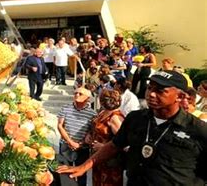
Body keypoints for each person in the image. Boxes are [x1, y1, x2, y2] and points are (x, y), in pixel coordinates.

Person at [58, 70, 207, 185]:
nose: (151, 94)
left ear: (180, 97)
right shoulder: (136, 118)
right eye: (150, 88)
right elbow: (114, 145)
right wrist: (83, 167)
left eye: (160, 91)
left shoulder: (198, 130)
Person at [57, 87, 96, 186]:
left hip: (82, 148)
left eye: (80, 94)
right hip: (66, 145)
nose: (77, 95)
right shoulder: (66, 108)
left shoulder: (92, 114)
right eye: (76, 93)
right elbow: (60, 126)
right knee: (64, 172)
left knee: (82, 173)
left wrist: (81, 143)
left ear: (87, 98)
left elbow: (92, 132)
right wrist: (70, 142)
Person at [88, 89, 125, 186]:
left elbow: (124, 143)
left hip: (110, 162)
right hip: (99, 159)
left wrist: (103, 147)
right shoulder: (103, 112)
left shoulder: (115, 118)